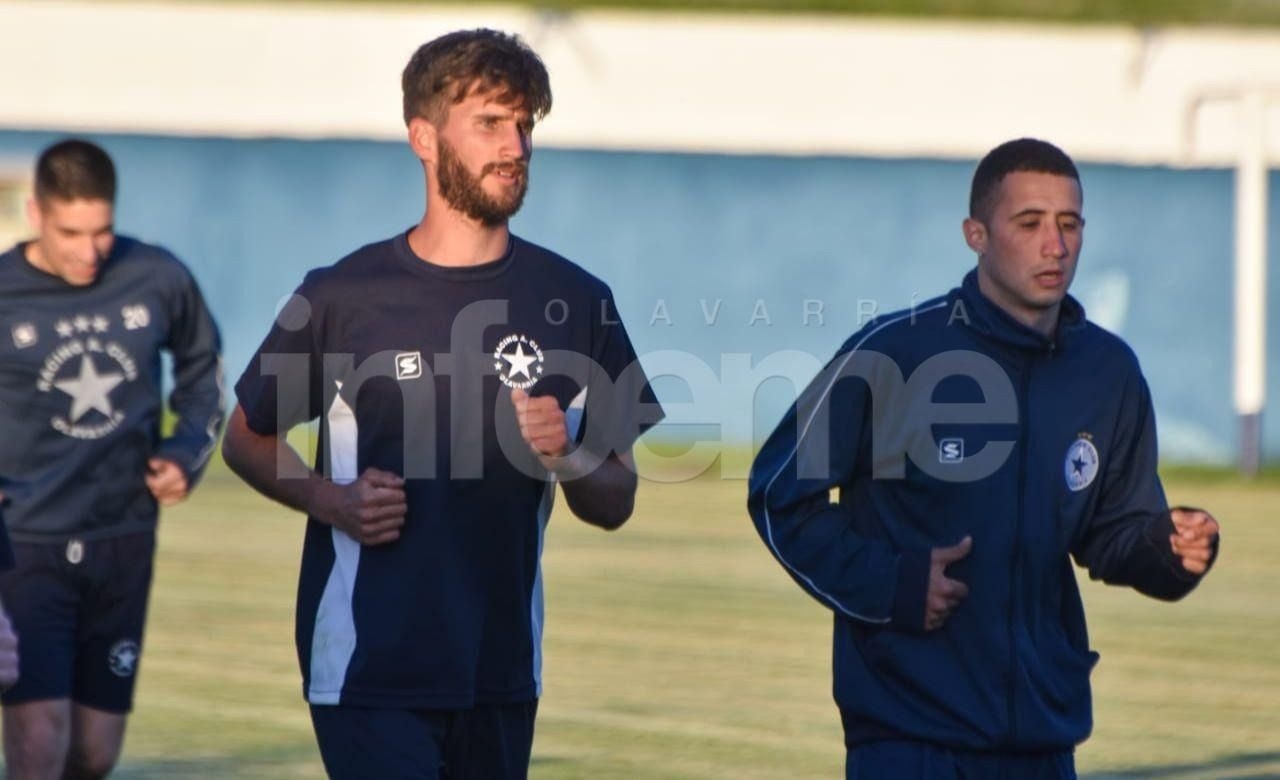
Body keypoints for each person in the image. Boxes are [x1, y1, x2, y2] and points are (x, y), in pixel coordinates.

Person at [222, 28, 662, 780]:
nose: (515, 146)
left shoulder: (578, 301)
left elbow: (616, 497)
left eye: (524, 124)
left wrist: (568, 455)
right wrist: (332, 501)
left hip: (502, 673)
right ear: (423, 138)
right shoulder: (341, 296)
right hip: (366, 666)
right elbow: (245, 437)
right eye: (489, 123)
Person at [747, 137, 1220, 779]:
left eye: (1070, 223)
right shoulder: (896, 354)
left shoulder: (1107, 372)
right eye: (1029, 223)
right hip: (907, 740)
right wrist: (892, 584)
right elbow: (778, 492)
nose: (1055, 245)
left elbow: (1113, 533)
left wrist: (1169, 548)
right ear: (977, 234)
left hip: (1043, 744)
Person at [0, 138, 224, 779]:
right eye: (71, 232)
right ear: (36, 213)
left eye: (101, 230)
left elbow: (204, 373)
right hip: (25, 544)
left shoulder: (156, 276)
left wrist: (184, 453)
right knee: (40, 741)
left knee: (94, 753)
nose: (89, 250)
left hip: (122, 538)